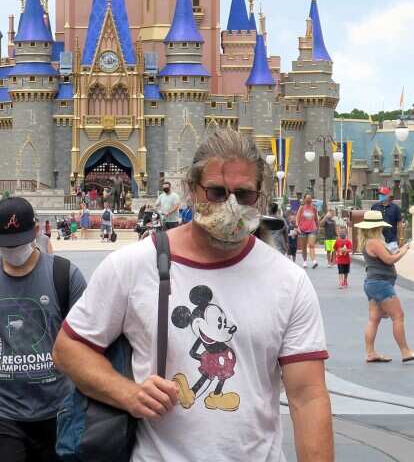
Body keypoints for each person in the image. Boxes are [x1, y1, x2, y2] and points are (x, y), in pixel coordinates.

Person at [54, 129, 334, 462]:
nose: (230, 205)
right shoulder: (132, 266)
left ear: (260, 196)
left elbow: (308, 397)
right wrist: (128, 393)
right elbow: (69, 349)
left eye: (244, 194)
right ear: (191, 189)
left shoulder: (288, 280)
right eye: (217, 192)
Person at [0, 197, 87, 461]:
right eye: (6, 245)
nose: (13, 251)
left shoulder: (65, 276)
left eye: (20, 244)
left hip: (58, 411)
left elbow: (89, 346)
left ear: (37, 232)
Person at [358, 211, 414, 363]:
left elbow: (384, 258)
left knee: (373, 319)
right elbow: (389, 260)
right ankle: (405, 351)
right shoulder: (374, 242)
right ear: (376, 228)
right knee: (398, 316)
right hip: (381, 283)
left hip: (372, 283)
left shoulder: (367, 242)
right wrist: (404, 251)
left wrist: (398, 250)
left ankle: (371, 353)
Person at [370, 187, 403, 253]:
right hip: (378, 239)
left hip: (392, 239)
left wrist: (401, 238)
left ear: (388, 195)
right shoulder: (374, 207)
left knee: (393, 257)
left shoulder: (395, 207)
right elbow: (371, 223)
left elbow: (399, 223)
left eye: (383, 194)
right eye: (380, 194)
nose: (381, 196)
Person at [295, 193, 320, 269]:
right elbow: (297, 218)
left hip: (312, 229)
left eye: (310, 198)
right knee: (304, 247)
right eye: (307, 198)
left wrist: (318, 227)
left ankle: (314, 261)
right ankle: (305, 261)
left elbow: (316, 219)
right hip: (302, 229)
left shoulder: (314, 208)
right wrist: (297, 227)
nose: (309, 199)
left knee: (311, 245)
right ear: (304, 199)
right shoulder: (302, 208)